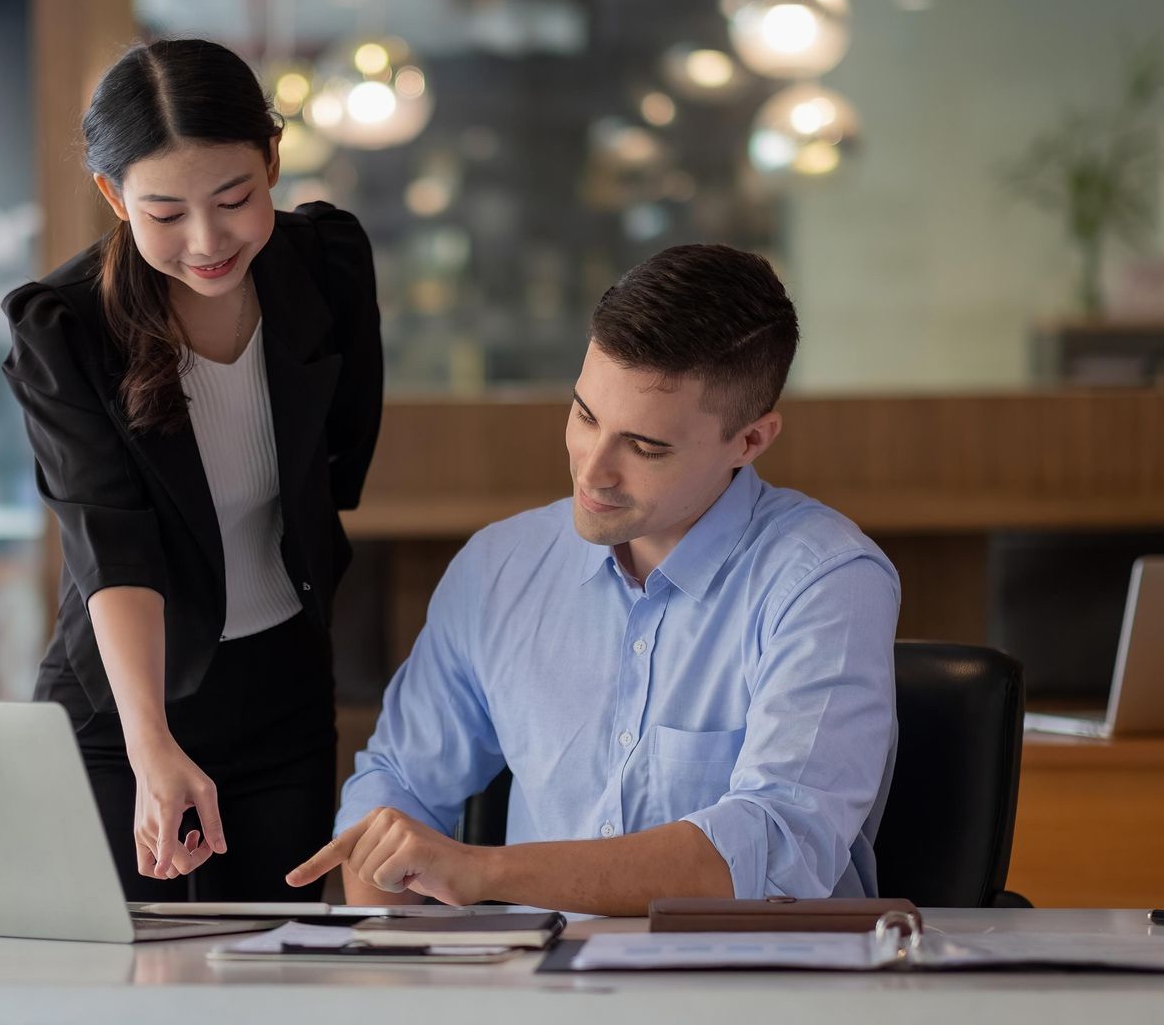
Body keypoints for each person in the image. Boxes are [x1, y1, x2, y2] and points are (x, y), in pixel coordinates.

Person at [289, 244, 897, 915]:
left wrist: (484, 873)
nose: (593, 471)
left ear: (749, 441)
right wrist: (395, 971)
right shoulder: (500, 567)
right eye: (585, 415)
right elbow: (396, 785)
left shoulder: (826, 580)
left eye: (646, 447)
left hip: (748, 996)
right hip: (535, 996)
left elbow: (779, 849)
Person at [2, 37, 382, 901]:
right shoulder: (66, 330)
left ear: (273, 160)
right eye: (165, 213)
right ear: (113, 194)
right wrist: (151, 743)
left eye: (234, 199)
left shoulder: (326, 266)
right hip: (121, 708)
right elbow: (114, 545)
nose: (207, 241)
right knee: (120, 977)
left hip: (284, 692)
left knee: (269, 965)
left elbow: (340, 460)